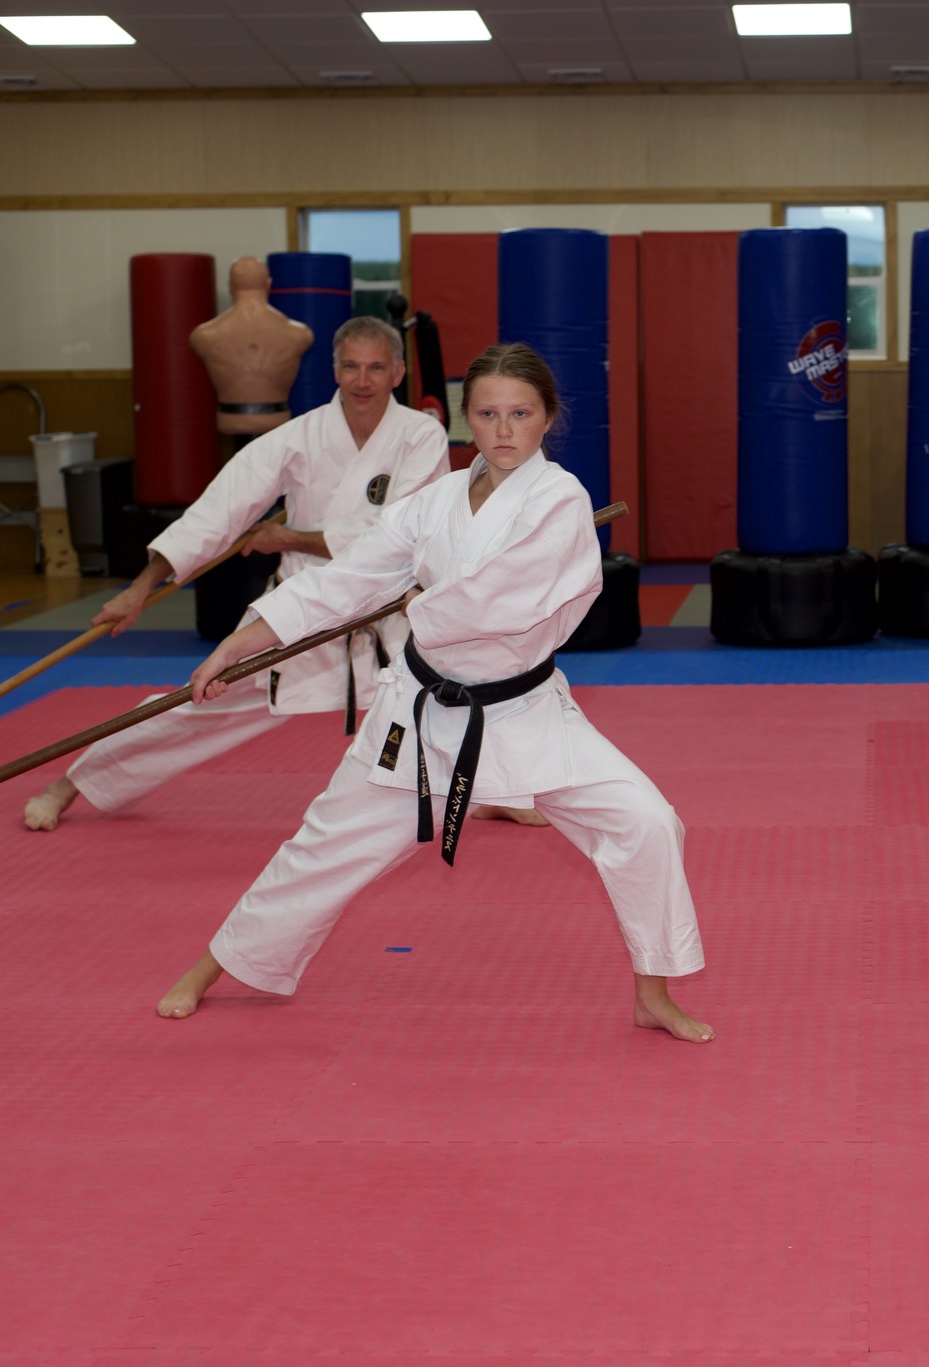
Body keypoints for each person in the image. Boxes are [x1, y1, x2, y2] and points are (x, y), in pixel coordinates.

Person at [154, 343, 711, 1043]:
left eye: (520, 413)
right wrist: (241, 643)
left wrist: (414, 600)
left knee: (645, 820)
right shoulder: (436, 501)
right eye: (487, 413)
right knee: (321, 848)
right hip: (418, 715)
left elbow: (499, 606)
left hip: (525, 711)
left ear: (547, 420)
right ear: (463, 419)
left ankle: (651, 992)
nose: (504, 429)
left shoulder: (560, 501)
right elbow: (346, 579)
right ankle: (210, 968)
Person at [23, 316, 450, 832]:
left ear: (398, 372)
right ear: (334, 371)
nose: (363, 381)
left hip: (388, 610)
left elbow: (397, 529)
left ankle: (496, 790)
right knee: (199, 703)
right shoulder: (299, 437)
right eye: (351, 367)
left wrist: (289, 536)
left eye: (376, 367)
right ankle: (69, 783)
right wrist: (140, 589)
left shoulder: (421, 435)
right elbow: (219, 509)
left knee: (463, 685)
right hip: (307, 608)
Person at [189, 256, 313, 440]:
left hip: (231, 418)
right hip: (276, 417)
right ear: (268, 283)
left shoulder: (204, 335)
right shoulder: (300, 334)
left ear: (230, 285)